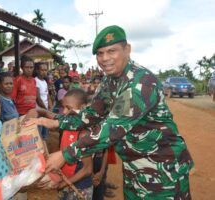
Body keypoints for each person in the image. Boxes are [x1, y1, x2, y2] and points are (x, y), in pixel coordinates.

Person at [27, 25, 194, 199]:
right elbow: (93, 114)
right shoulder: (109, 81)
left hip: (162, 169)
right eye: (100, 53)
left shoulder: (141, 83)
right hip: (134, 166)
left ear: (127, 50)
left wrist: (65, 154)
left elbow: (112, 128)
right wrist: (57, 122)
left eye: (111, 51)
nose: (105, 58)